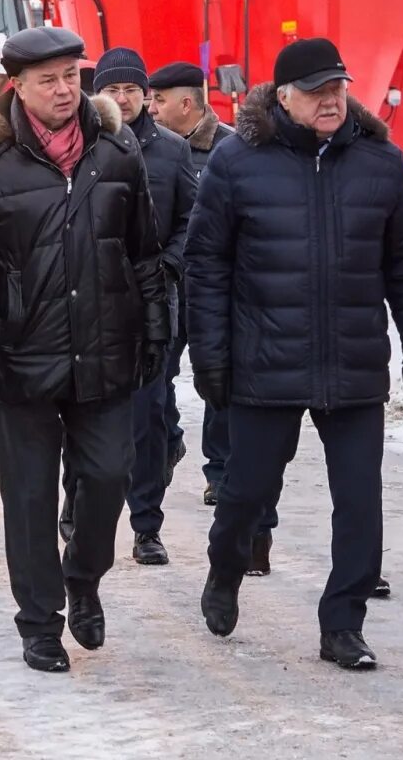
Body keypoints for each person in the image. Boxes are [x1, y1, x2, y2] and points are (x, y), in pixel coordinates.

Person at [188, 38, 403, 670]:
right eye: (315, 91)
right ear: (283, 98)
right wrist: (210, 357)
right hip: (264, 361)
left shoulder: (381, 163)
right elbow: (205, 266)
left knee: (360, 502)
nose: (331, 100)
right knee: (245, 494)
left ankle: (343, 625)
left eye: (338, 88)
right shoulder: (237, 162)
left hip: (353, 365)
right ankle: (225, 569)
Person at [0, 26, 168, 673]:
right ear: (17, 87)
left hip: (106, 352)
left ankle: (84, 576)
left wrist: (155, 328)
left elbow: (144, 253)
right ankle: (38, 622)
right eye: (48, 80)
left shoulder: (116, 150)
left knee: (108, 476)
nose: (64, 90)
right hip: (19, 358)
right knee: (31, 500)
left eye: (71, 76)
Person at [59, 49, 195, 566]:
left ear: (146, 95)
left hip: (155, 300)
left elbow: (191, 218)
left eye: (131, 90)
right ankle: (76, 505)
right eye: (112, 90)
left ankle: (146, 526)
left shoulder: (173, 151)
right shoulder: (82, 144)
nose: (122, 99)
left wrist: (170, 266)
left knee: (149, 414)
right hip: (92, 300)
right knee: (83, 408)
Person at [148, 61, 237, 507]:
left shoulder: (232, 150)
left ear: (187, 103)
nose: (152, 108)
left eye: (159, 100)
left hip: (214, 292)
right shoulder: (151, 149)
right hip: (167, 285)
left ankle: (219, 471)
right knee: (156, 376)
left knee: (216, 380)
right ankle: (168, 439)